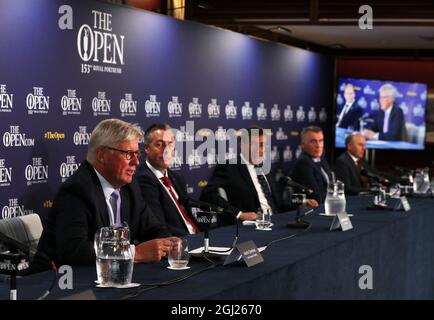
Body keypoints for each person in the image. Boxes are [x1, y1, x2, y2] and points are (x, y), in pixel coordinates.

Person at [33, 119, 174, 272]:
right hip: (61, 284)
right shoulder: (76, 191)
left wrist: (168, 244)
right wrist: (135, 253)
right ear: (102, 155)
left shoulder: (129, 187)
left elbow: (154, 229)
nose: (136, 161)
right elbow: (74, 251)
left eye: (137, 153)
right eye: (129, 154)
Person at [200, 125, 317, 226]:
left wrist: (300, 204)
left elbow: (277, 204)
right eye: (255, 144)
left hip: (277, 223)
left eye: (263, 145)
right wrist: (239, 214)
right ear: (243, 145)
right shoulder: (230, 167)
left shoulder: (265, 168)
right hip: (253, 227)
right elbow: (207, 196)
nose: (261, 150)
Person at [136, 123, 201, 237]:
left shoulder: (176, 177)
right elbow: (158, 226)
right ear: (146, 148)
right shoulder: (143, 179)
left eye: (170, 144)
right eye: (159, 144)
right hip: (179, 244)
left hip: (197, 236)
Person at [291, 126, 332, 203]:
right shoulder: (303, 164)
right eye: (313, 141)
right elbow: (316, 196)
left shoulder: (321, 158)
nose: (318, 146)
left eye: (321, 141)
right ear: (303, 144)